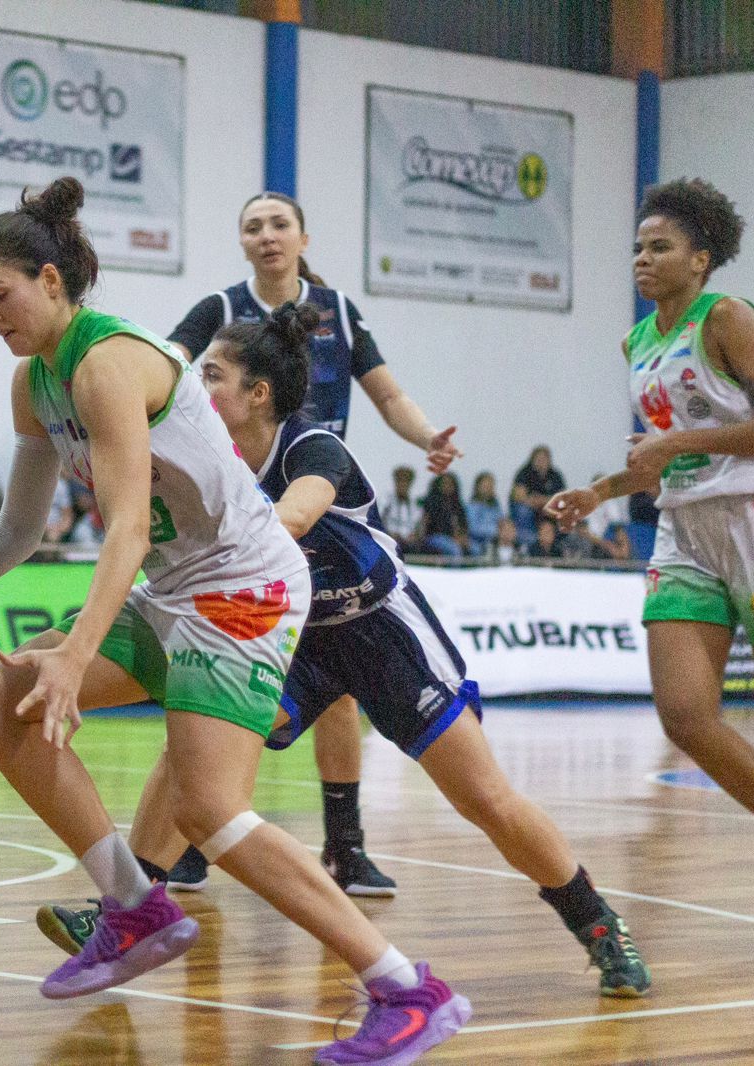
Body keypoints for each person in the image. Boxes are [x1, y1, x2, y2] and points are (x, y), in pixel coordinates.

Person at [0, 179, 468, 1062]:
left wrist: (75, 653)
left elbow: (127, 526)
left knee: (211, 809)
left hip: (244, 585)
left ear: (51, 280)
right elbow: (18, 529)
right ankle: (134, 906)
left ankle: (408, 990)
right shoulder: (34, 384)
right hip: (178, 585)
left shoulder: (108, 362)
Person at [41, 302, 651, 1000]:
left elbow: (295, 517)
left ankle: (597, 923)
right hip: (293, 636)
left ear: (258, 394)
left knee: (485, 799)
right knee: (196, 740)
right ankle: (129, 908)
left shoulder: (311, 447)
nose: (194, 386)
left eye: (211, 375)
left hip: (377, 629)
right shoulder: (206, 455)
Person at [549, 177, 754, 937]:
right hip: (686, 532)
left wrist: (676, 443)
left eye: (660, 247)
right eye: (638, 247)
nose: (642, 259)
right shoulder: (637, 341)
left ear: (700, 260)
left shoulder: (728, 317)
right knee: (684, 715)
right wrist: (600, 491)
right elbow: (663, 456)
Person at [163, 193, 462, 896]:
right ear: (241, 242)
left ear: (303, 238)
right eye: (253, 226)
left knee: (338, 689)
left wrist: (427, 437)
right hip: (240, 498)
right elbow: (164, 371)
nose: (267, 235)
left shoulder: (339, 312)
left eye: (279, 224)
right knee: (215, 674)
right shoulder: (220, 308)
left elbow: (387, 396)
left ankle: (345, 847)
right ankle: (193, 835)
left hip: (318, 497)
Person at [511, 445, 566, 541]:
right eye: (538, 459)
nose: (541, 461)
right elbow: (519, 496)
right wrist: (537, 503)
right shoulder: (524, 473)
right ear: (532, 459)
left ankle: (556, 542)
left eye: (544, 458)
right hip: (530, 507)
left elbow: (563, 497)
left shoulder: (555, 475)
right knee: (522, 511)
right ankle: (529, 540)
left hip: (548, 508)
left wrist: (543, 502)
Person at [416, 472, 472, 557]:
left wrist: (462, 537)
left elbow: (463, 525)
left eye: (450, 484)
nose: (448, 486)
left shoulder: (458, 505)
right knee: (454, 549)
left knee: (475, 549)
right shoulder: (432, 503)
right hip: (435, 536)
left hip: (453, 538)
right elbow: (430, 525)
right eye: (445, 483)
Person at [466, 471, 503, 555]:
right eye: (486, 485)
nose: (489, 488)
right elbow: (473, 528)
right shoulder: (472, 506)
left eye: (491, 486)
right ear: (478, 487)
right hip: (477, 542)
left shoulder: (496, 506)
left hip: (495, 541)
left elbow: (502, 522)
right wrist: (495, 531)